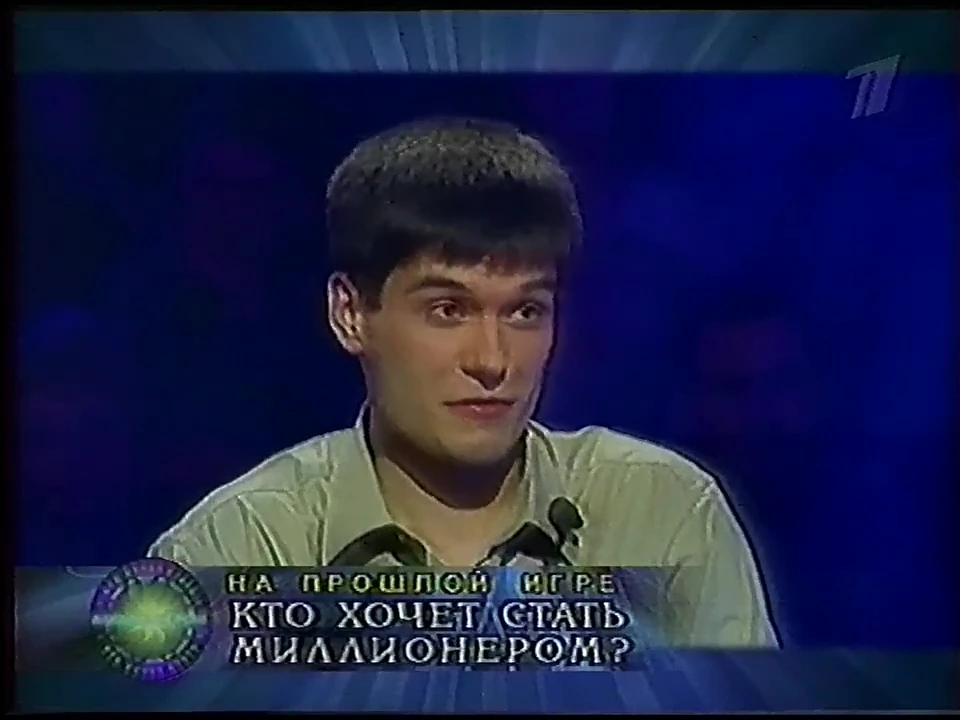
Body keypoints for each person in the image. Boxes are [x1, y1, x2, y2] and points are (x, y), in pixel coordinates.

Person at [149, 117, 778, 646]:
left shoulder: (662, 513)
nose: (492, 360)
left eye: (525, 311)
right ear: (350, 314)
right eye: (448, 310)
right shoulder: (239, 546)